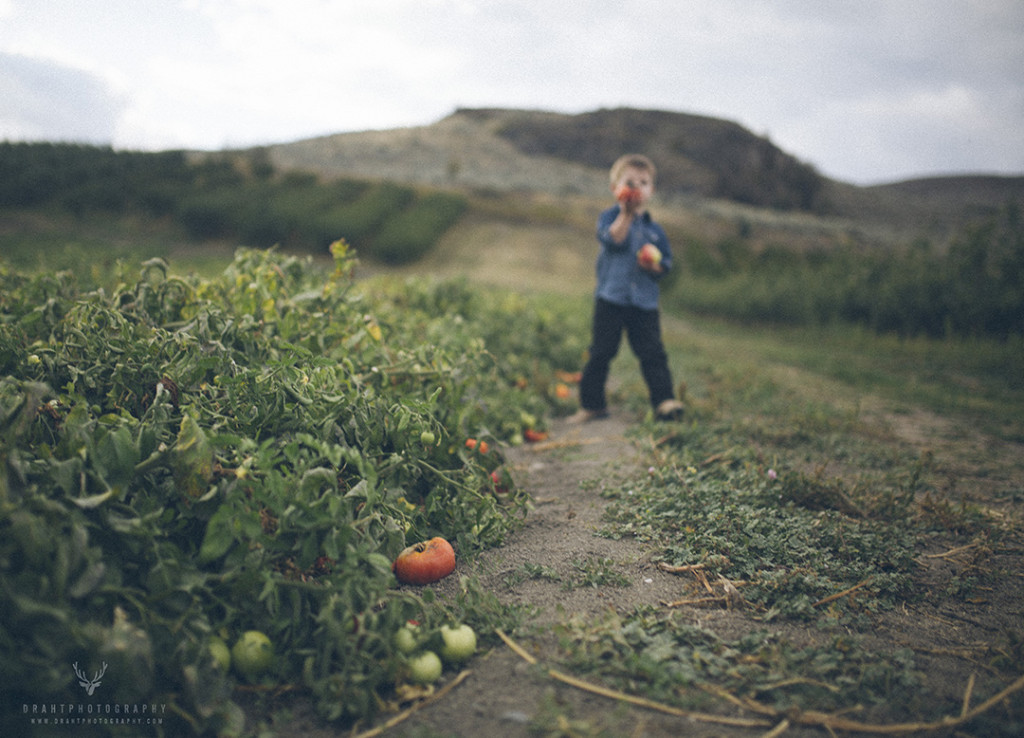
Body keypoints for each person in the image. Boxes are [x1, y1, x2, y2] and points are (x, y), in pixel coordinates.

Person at [569, 154, 684, 423]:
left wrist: (654, 267)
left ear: (651, 191)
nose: (636, 187)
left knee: (652, 352)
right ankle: (592, 404)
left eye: (642, 182)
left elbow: (665, 265)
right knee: (601, 351)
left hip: (644, 303)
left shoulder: (656, 231)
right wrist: (626, 213)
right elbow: (615, 241)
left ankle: (664, 400)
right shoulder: (610, 218)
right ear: (615, 188)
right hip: (611, 299)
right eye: (629, 182)